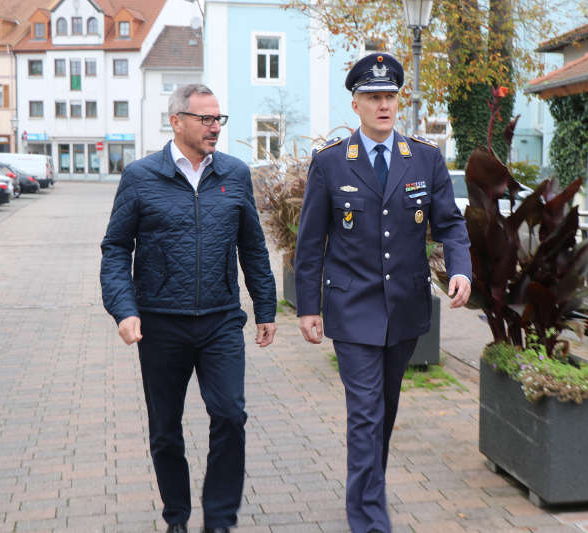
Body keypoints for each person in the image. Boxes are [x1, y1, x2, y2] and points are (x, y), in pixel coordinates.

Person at [294, 53, 472, 533]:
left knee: (385, 412)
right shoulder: (331, 164)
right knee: (366, 414)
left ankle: (365, 491)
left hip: (406, 308)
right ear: (355, 104)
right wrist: (308, 308)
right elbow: (310, 243)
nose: (383, 105)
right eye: (373, 97)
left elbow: (451, 226)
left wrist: (461, 271)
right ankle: (370, 519)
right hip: (352, 310)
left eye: (390, 97)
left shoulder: (425, 158)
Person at [100, 84, 277, 533]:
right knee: (165, 430)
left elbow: (253, 247)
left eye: (219, 119)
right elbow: (116, 248)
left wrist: (265, 308)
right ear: (176, 121)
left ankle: (218, 520)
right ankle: (176, 517)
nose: (215, 127)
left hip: (220, 321)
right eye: (206, 119)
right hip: (160, 325)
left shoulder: (235, 174)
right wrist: (125, 310)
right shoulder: (141, 176)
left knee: (231, 416)